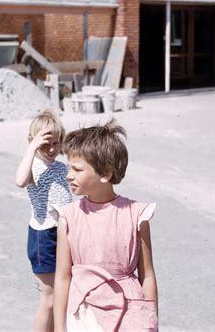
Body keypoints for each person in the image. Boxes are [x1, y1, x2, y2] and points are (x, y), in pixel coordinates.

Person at [53, 119, 158, 331]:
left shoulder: (137, 215)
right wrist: (59, 328)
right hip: (84, 315)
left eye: (77, 169)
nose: (68, 174)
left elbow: (147, 275)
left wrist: (151, 320)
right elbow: (62, 278)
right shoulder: (68, 217)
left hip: (129, 314)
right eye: (68, 167)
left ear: (106, 173)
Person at [15, 110, 72, 331]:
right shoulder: (32, 166)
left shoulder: (61, 167)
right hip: (43, 236)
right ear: (33, 143)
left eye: (55, 144)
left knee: (62, 295)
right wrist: (31, 148)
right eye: (44, 144)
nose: (50, 150)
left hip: (64, 234)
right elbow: (20, 181)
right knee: (49, 299)